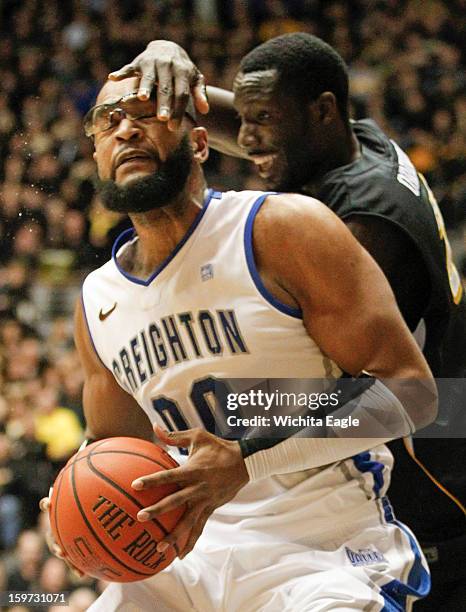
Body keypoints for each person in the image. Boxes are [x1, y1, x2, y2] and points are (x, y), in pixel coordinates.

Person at [42, 73, 437, 611]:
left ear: (200, 142)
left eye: (146, 113)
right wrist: (72, 510)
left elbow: (412, 393)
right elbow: (115, 449)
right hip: (187, 562)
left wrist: (246, 459)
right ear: (96, 158)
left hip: (323, 550)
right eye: (108, 121)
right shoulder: (97, 300)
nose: (126, 130)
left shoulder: (279, 228)